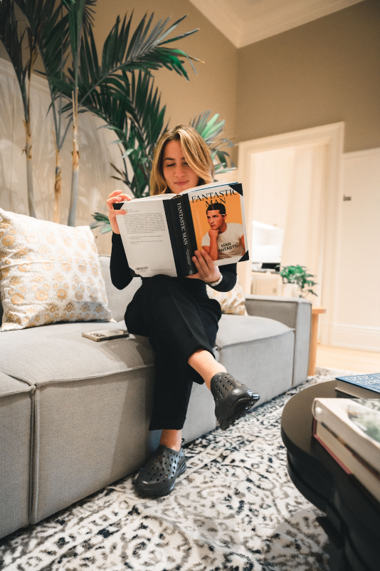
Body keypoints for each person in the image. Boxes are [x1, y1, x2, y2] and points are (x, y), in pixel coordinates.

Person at [107, 125, 260, 498]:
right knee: (161, 287)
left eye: (186, 163)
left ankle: (171, 449)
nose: (178, 172)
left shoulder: (219, 209)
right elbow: (121, 279)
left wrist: (213, 275)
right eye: (170, 163)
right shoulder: (143, 210)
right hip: (147, 305)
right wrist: (116, 228)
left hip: (196, 308)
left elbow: (227, 284)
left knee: (177, 333)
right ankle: (220, 381)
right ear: (161, 167)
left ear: (200, 166)